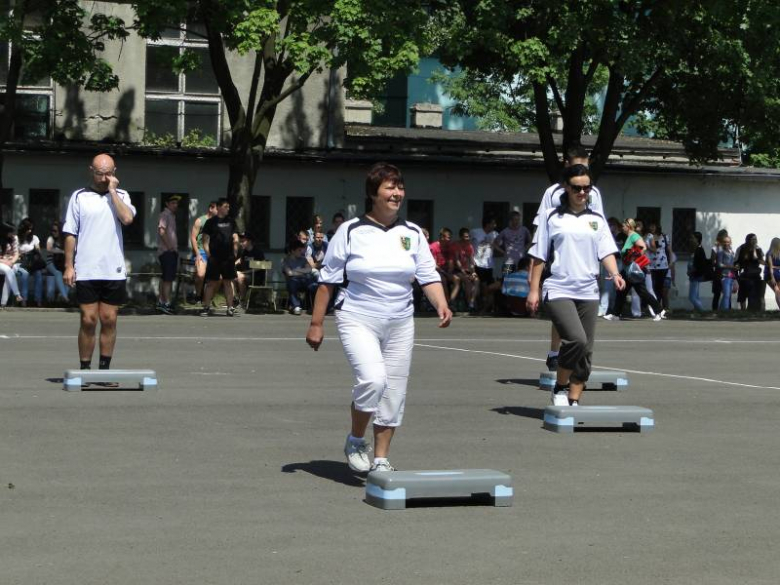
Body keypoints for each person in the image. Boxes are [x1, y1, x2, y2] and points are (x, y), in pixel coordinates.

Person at [306, 162, 452, 474]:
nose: (396, 193)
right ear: (373, 193)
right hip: (358, 316)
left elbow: (427, 275)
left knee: (394, 390)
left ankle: (382, 458)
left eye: (399, 187)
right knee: (373, 380)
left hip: (400, 321)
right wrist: (316, 323)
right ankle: (357, 438)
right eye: (389, 187)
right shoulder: (350, 231)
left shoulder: (411, 233)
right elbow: (328, 280)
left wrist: (441, 303)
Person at [526, 165, 625, 406]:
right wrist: (534, 289)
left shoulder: (596, 219)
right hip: (559, 287)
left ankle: (574, 399)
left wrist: (615, 273)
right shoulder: (553, 218)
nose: (582, 192)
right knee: (576, 340)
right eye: (577, 188)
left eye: (586, 188)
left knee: (586, 351)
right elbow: (539, 255)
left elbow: (606, 251)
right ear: (567, 188)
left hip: (588, 290)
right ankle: (560, 387)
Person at [532, 145, 604, 371]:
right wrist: (533, 279)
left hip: (586, 265)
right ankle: (555, 352)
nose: (582, 188)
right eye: (576, 168)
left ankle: (574, 374)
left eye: (586, 168)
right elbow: (540, 231)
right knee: (562, 311)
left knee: (582, 326)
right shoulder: (552, 193)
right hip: (559, 261)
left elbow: (600, 228)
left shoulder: (594, 194)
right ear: (566, 168)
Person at [62, 153, 136, 372]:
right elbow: (70, 233)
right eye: (100, 173)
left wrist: (112, 191)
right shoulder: (79, 197)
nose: (104, 178)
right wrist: (68, 265)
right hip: (86, 269)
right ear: (91, 171)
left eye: (109, 173)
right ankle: (85, 369)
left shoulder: (121, 195)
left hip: (113, 269)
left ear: (115, 173)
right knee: (88, 319)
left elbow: (128, 219)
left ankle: (104, 370)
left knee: (109, 319)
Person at [604, 218, 665, 321]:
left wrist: (632, 256)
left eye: (623, 225)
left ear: (628, 226)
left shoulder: (634, 236)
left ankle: (659, 310)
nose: (622, 227)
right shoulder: (629, 237)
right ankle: (615, 314)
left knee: (642, 292)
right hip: (627, 269)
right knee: (621, 291)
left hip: (634, 270)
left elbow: (643, 247)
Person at [200, 198, 239, 317]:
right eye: (226, 206)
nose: (228, 209)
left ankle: (230, 308)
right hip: (215, 257)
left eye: (228, 206)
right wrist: (208, 254)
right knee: (211, 283)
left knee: (228, 282)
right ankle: (206, 307)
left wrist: (235, 251)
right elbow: (205, 239)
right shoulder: (210, 222)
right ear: (219, 207)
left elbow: (235, 237)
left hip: (228, 258)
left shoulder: (231, 221)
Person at [470, 215, 500, 313]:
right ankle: (478, 304)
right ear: (487, 224)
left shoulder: (495, 234)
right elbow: (468, 244)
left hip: (489, 265)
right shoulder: (475, 232)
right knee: (480, 285)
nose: (495, 225)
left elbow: (498, 246)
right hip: (478, 263)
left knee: (489, 286)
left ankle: (488, 306)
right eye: (493, 223)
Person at [157, 194, 180, 314]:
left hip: (169, 251)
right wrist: (170, 247)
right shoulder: (165, 215)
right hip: (167, 252)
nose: (175, 205)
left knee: (164, 277)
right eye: (172, 203)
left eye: (176, 203)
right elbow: (162, 231)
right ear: (167, 204)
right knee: (168, 279)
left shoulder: (171, 215)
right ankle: (166, 303)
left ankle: (161, 301)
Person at [189, 200, 218, 301]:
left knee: (221, 278)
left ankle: (208, 298)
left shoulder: (219, 222)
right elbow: (193, 237)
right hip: (201, 251)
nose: (219, 211)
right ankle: (198, 295)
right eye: (217, 209)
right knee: (201, 275)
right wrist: (197, 253)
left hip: (214, 253)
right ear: (211, 209)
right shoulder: (200, 221)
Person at [282, 239, 318, 315]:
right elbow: (289, 273)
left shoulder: (303, 259)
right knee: (292, 284)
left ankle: (315, 307)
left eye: (302, 250)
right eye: (299, 250)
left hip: (305, 280)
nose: (301, 252)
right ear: (292, 251)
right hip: (293, 281)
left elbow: (309, 269)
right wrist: (302, 271)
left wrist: (296, 271)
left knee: (315, 285)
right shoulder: (286, 261)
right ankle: (296, 306)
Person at [16, 217, 45, 306]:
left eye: (31, 229)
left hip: (32, 263)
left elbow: (38, 252)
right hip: (21, 263)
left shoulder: (35, 238)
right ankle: (24, 300)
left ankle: (38, 300)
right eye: (28, 228)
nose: (30, 231)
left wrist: (36, 250)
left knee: (39, 275)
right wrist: (22, 255)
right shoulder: (17, 239)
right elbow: (15, 253)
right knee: (24, 275)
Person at [429, 227, 461, 307]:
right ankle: (446, 303)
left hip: (446, 271)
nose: (449, 239)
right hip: (437, 271)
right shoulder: (433, 247)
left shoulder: (450, 247)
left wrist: (449, 272)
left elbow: (451, 261)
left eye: (450, 237)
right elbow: (433, 264)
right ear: (442, 237)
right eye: (448, 237)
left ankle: (451, 301)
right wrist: (444, 273)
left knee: (457, 279)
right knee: (443, 280)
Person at [734, 233, 764, 311]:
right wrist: (735, 273)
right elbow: (736, 261)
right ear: (748, 240)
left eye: (755, 239)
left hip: (755, 274)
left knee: (753, 294)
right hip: (744, 274)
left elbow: (759, 260)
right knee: (742, 294)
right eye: (753, 239)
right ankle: (743, 310)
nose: (755, 241)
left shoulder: (758, 249)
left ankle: (751, 309)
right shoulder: (741, 248)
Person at [648, 221, 674, 311]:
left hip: (663, 265)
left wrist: (671, 262)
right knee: (653, 287)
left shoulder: (664, 237)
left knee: (660, 288)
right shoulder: (647, 237)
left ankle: (660, 308)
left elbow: (669, 250)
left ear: (657, 226)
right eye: (650, 226)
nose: (652, 228)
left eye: (653, 226)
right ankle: (654, 307)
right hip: (651, 265)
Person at [235, 232, 266, 304]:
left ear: (249, 241)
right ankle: (235, 298)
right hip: (246, 275)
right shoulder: (244, 252)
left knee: (240, 277)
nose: (241, 243)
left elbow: (263, 266)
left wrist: (244, 273)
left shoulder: (258, 252)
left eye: (243, 241)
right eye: (240, 241)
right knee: (231, 276)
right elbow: (240, 260)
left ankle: (243, 300)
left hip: (256, 277)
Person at [44, 220, 70, 304]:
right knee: (58, 273)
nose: (53, 232)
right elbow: (49, 249)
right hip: (50, 263)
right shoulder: (50, 239)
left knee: (69, 275)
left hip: (60, 263)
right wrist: (61, 251)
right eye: (52, 230)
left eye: (55, 231)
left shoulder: (64, 240)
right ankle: (65, 297)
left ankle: (62, 295)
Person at [453, 227, 479, 311]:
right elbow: (457, 260)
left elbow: (471, 260)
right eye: (466, 236)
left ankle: (472, 301)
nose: (468, 238)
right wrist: (463, 271)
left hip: (467, 269)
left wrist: (473, 272)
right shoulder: (457, 245)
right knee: (467, 281)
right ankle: (469, 304)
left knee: (476, 280)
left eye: (468, 236)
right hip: (457, 270)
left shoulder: (469, 246)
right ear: (461, 237)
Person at [0, 222, 24, 308]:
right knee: (8, 270)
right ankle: (17, 294)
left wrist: (12, 262)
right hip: (2, 262)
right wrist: (6, 262)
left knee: (9, 273)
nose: (14, 234)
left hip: (11, 262)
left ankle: (3, 302)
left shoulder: (14, 238)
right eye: (11, 232)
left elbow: (16, 253)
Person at [687, 231, 711, 312]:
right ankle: (697, 309)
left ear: (697, 239)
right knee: (696, 296)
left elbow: (699, 265)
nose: (690, 240)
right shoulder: (695, 249)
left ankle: (702, 311)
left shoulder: (699, 250)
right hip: (693, 275)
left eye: (692, 238)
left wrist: (692, 271)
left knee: (691, 297)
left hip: (695, 276)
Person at [715, 235, 736, 310]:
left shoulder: (732, 252)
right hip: (724, 276)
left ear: (730, 242)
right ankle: (725, 311)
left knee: (727, 295)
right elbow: (719, 264)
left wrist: (735, 279)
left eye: (728, 242)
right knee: (726, 295)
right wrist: (730, 267)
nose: (726, 243)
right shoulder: (721, 252)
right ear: (722, 243)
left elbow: (733, 266)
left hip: (731, 276)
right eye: (725, 242)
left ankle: (720, 311)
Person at [710, 229, 729, 311]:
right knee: (717, 293)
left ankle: (724, 309)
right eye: (725, 236)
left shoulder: (727, 248)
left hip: (726, 272)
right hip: (718, 273)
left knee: (727, 293)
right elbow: (712, 261)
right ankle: (715, 310)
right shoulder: (715, 248)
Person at [765, 237, 780, 311]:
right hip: (771, 275)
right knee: (777, 291)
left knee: (778, 292)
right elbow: (771, 267)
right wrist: (772, 278)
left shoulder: (777, 253)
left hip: (776, 274)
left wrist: (775, 267)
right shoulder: (770, 253)